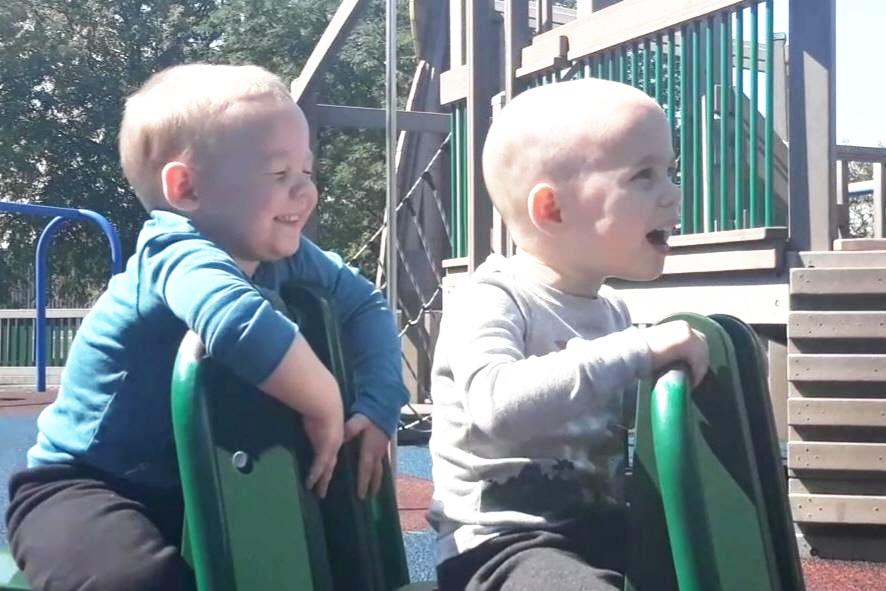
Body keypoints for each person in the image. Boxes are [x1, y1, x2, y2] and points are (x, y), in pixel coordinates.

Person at [5, 63, 408, 591]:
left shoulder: (288, 257)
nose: (305, 191)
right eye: (279, 174)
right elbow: (234, 319)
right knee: (133, 579)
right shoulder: (175, 251)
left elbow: (366, 307)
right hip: (89, 487)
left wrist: (378, 405)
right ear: (187, 188)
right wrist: (324, 399)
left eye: (307, 171)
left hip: (208, 486)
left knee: (328, 548)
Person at [428, 78, 710, 591]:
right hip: (502, 549)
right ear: (553, 210)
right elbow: (495, 406)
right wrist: (639, 349)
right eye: (644, 176)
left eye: (670, 171)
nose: (673, 192)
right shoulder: (492, 298)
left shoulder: (612, 312)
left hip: (600, 534)